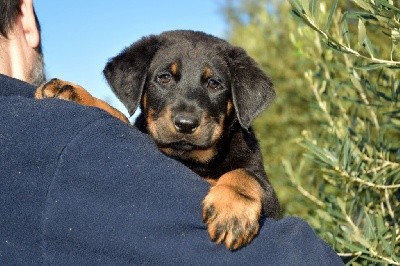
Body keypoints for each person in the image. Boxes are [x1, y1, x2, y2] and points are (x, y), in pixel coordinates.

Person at [0, 0, 343, 264]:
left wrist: (241, 185)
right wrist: (92, 105)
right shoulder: (104, 137)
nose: (186, 115)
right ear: (140, 87)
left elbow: (265, 197)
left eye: (213, 84)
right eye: (165, 78)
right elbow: (125, 138)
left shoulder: (240, 158)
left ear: (236, 100)